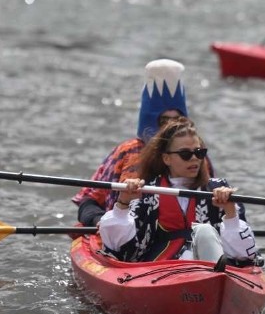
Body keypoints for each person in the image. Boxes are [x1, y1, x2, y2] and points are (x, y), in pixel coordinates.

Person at [98, 117, 259, 267]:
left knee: (204, 231)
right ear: (166, 158)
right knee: (203, 231)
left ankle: (213, 275)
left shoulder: (217, 189)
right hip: (161, 268)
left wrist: (230, 213)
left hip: (209, 267)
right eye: (185, 154)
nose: (195, 158)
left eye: (199, 152)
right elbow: (120, 248)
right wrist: (123, 204)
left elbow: (244, 256)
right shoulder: (147, 190)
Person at [73, 59, 213, 227]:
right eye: (164, 120)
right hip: (130, 231)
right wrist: (100, 221)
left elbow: (210, 198)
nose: (170, 126)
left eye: (176, 120)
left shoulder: (197, 154)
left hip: (186, 230)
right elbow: (89, 200)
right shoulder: (127, 151)